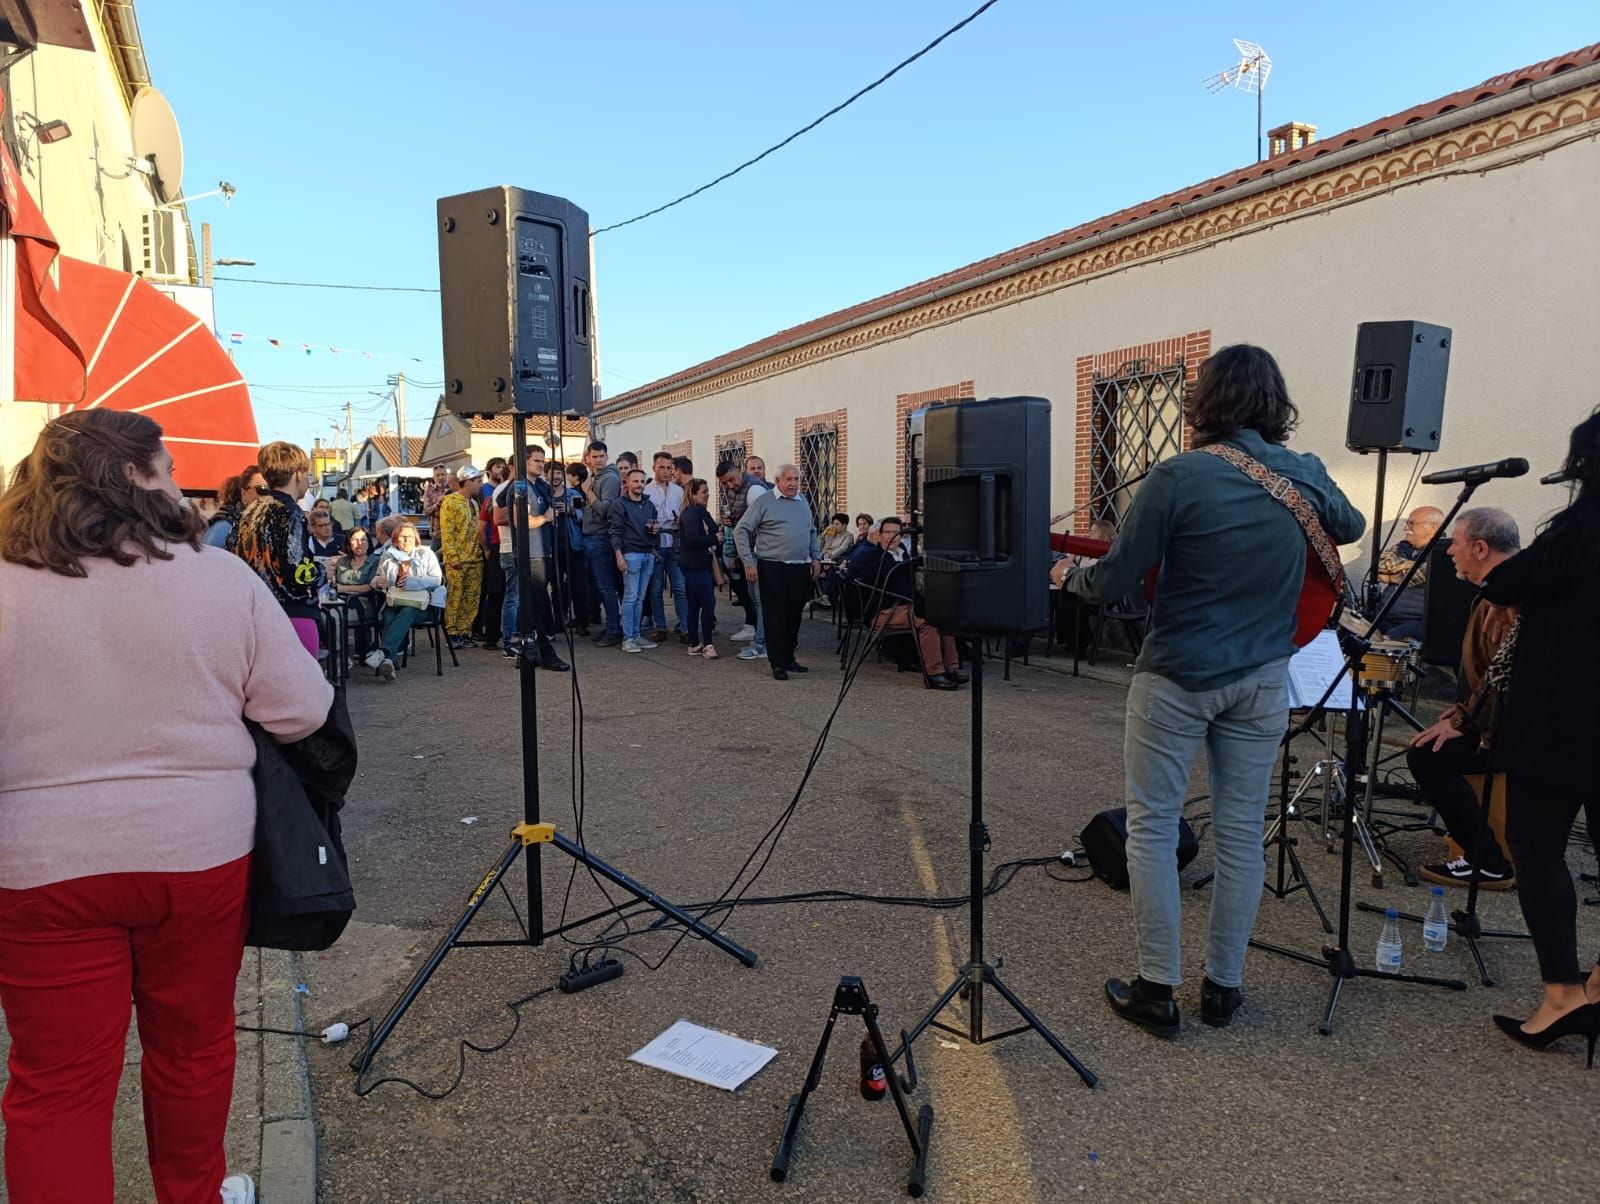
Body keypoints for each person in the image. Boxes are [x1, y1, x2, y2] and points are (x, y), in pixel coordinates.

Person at [0, 409, 332, 1204]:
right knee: (192, 1050)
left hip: (40, 867)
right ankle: (195, 1194)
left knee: (56, 1086)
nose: (180, 480)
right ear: (138, 476)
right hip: (198, 858)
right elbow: (302, 711)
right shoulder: (215, 578)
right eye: (169, 466)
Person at [1062, 345, 1364, 1035]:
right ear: (1275, 403)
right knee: (1239, 836)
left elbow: (1112, 579)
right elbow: (1349, 526)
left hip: (1177, 676)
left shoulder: (1179, 476)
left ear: (1205, 403)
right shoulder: (1305, 473)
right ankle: (1224, 988)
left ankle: (1157, 988)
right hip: (1261, 679)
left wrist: (1067, 582)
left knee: (1153, 827)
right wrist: (1304, 481)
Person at [1479, 408, 1600, 1056]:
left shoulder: (1581, 528)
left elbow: (1503, 580)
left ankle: (1562, 995)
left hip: (1562, 720)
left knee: (1538, 846)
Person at [1405, 508, 1521, 888]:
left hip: (1526, 734)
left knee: (1428, 755)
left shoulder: (1514, 602)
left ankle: (1487, 860)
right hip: (1499, 721)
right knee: (1432, 741)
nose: (1449, 551)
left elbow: (1510, 681)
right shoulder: (1496, 596)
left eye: (1455, 543)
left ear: (1481, 548)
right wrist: (1460, 714)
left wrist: (1465, 722)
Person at [842, 517, 964, 689]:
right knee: (928, 620)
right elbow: (864, 577)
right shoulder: (873, 555)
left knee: (942, 615)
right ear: (879, 535)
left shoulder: (903, 553)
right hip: (884, 611)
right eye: (888, 532)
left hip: (906, 606)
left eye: (896, 533)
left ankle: (950, 667)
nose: (892, 537)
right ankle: (934, 673)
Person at [228, 441, 323, 658]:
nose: (308, 481)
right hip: (292, 613)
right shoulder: (290, 512)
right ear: (298, 474)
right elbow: (298, 571)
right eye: (307, 474)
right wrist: (323, 571)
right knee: (300, 687)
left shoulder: (248, 513)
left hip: (253, 613)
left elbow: (232, 558)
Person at [735, 464, 820, 681]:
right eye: (788, 479)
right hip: (772, 566)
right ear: (778, 480)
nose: (793, 484)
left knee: (794, 615)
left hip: (800, 565)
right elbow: (741, 530)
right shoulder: (764, 502)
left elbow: (811, 531)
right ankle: (777, 662)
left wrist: (816, 557)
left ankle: (789, 657)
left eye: (796, 479)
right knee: (775, 615)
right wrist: (748, 562)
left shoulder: (803, 502)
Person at [492, 445, 569, 671]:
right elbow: (521, 522)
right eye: (537, 461)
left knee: (536, 604)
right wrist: (545, 518)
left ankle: (530, 650)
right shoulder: (520, 488)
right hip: (530, 553)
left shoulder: (540, 486)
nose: (541, 465)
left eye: (542, 461)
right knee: (535, 604)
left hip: (543, 550)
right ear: (524, 462)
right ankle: (541, 652)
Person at [367, 522, 445, 680]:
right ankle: (389, 660)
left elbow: (437, 579)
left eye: (409, 537)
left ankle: (383, 652)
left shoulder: (426, 554)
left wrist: (413, 582)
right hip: (395, 601)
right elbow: (376, 577)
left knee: (408, 612)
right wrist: (377, 581)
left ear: (415, 539)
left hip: (423, 605)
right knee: (389, 615)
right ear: (395, 540)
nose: (406, 540)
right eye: (402, 537)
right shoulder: (388, 555)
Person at [717, 459, 770, 656]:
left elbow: (763, 524)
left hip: (758, 552)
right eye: (725, 483)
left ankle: (762, 643)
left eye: (732, 480)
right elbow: (736, 524)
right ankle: (760, 639)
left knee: (760, 599)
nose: (730, 485)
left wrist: (750, 556)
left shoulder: (754, 490)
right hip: (747, 551)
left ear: (739, 471)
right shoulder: (733, 491)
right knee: (755, 599)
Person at [1374, 505, 1443, 640]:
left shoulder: (1443, 551)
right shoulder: (1402, 546)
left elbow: (1416, 576)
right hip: (1384, 617)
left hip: (1418, 622)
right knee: (1352, 632)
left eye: (1411, 523)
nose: (1405, 528)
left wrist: (1390, 578)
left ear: (1433, 527)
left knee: (1389, 639)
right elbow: (1380, 567)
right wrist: (1410, 565)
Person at [609, 467, 659, 653]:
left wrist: (655, 533)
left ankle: (636, 635)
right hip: (630, 554)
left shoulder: (648, 504)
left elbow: (654, 526)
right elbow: (615, 532)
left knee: (639, 597)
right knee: (630, 597)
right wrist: (619, 556)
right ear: (627, 483)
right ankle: (628, 638)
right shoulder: (619, 504)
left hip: (647, 553)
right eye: (635, 481)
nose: (639, 485)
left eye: (642, 481)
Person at [580, 441, 624, 647]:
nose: (597, 460)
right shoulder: (596, 476)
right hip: (592, 537)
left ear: (607, 456)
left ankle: (614, 630)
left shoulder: (610, 479)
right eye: (594, 457)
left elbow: (606, 509)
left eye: (601, 457)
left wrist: (588, 491)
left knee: (606, 587)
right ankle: (613, 625)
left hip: (600, 538)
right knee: (602, 586)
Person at [439, 464, 485, 650]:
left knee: (471, 597)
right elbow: (447, 531)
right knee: (455, 597)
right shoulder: (450, 501)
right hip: (457, 560)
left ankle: (465, 631)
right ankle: (452, 632)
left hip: (475, 558)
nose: (481, 485)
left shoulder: (474, 503)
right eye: (478, 481)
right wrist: (452, 556)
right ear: (468, 482)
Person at [645, 451, 688, 642]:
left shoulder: (679, 491)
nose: (665, 471)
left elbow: (684, 514)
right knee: (656, 588)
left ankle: (685, 627)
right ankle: (660, 627)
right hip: (655, 543)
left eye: (669, 467)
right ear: (654, 468)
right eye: (661, 467)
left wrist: (681, 521)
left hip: (674, 542)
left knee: (679, 586)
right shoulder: (647, 491)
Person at [679, 478, 722, 658]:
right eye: (704, 491)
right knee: (708, 603)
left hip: (700, 563)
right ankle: (708, 643)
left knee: (695, 604)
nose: (707, 494)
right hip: (695, 564)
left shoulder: (701, 512)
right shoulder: (691, 514)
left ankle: (694, 642)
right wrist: (715, 538)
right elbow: (692, 540)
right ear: (694, 494)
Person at [473, 458, 509, 650]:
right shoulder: (508, 495)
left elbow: (480, 530)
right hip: (505, 546)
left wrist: (486, 548)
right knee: (511, 593)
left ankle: (491, 637)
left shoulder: (488, 499)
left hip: (494, 548)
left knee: (495, 592)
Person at [562, 461, 594, 634]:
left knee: (579, 582)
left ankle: (582, 618)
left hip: (576, 542)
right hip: (561, 544)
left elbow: (581, 514)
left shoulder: (576, 493)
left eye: (566, 474)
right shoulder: (546, 493)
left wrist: (571, 511)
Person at [204, 462, 265, 549]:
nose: (269, 495)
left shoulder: (255, 526)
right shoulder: (225, 527)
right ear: (243, 494)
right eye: (262, 489)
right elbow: (207, 559)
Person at [422, 465, 451, 548]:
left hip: (453, 533)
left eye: (443, 474)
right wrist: (439, 503)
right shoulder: (429, 491)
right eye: (437, 475)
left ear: (447, 476)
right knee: (433, 558)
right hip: (437, 534)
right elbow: (427, 511)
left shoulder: (453, 489)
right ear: (433, 477)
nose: (440, 477)